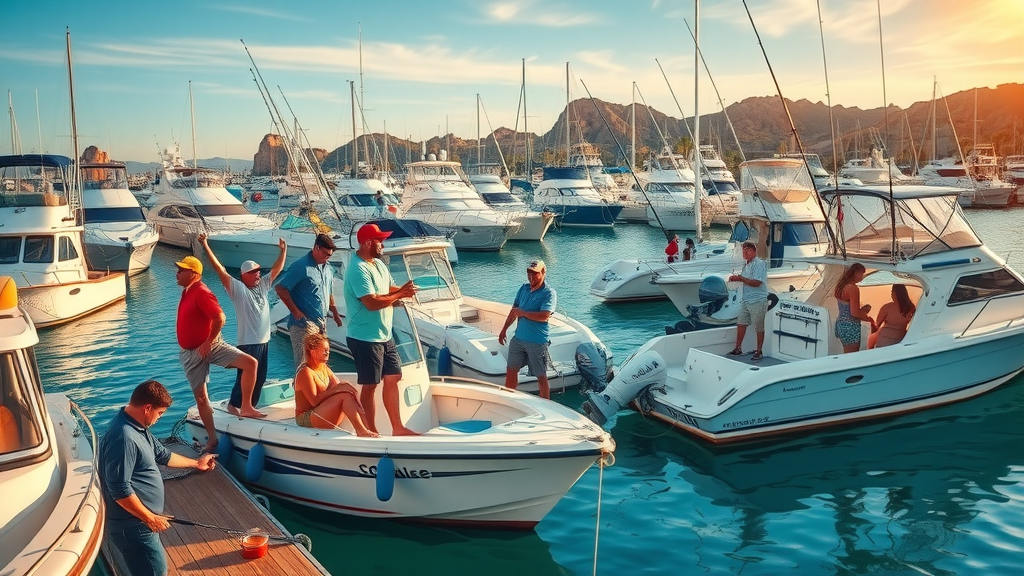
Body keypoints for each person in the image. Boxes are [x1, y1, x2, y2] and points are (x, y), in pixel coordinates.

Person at [100, 380, 217, 576]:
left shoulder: (136, 426)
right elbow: (119, 490)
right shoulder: (123, 437)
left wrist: (196, 463)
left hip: (141, 521)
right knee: (155, 572)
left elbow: (162, 454)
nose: (159, 419)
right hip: (134, 526)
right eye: (160, 413)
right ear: (147, 408)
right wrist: (150, 518)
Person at [175, 255, 261, 453]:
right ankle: (212, 439)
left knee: (251, 363)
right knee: (202, 399)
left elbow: (220, 318)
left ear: (194, 274)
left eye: (182, 270)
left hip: (210, 346)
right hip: (190, 354)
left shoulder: (201, 291)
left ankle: (246, 406)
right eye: (178, 269)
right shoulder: (187, 291)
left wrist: (208, 342)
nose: (177, 273)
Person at [198, 233, 287, 415]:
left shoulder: (262, 286)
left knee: (260, 377)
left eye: (258, 272)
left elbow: (276, 270)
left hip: (264, 341)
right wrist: (205, 244)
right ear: (243, 275)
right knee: (244, 377)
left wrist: (283, 251)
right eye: (253, 273)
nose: (257, 275)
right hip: (249, 341)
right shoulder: (238, 289)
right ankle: (234, 405)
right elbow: (219, 269)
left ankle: (249, 407)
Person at [343, 223, 419, 435]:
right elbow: (372, 302)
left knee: (393, 377)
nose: (383, 244)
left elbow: (387, 290)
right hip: (364, 338)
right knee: (370, 385)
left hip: (384, 335)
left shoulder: (378, 264)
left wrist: (404, 289)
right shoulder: (357, 269)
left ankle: (397, 428)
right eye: (380, 241)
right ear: (368, 243)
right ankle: (371, 430)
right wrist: (400, 295)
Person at [275, 233, 344, 368]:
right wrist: (296, 312)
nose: (327, 258)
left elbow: (328, 292)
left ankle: (319, 389)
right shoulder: (301, 266)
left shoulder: (328, 268)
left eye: (329, 255)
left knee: (320, 364)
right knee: (304, 365)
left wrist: (334, 312)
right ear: (316, 248)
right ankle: (302, 389)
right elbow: (280, 288)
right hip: (303, 324)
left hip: (321, 322)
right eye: (325, 254)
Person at [293, 333, 378, 437]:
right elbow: (314, 401)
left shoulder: (324, 368)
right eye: (324, 349)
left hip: (321, 413)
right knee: (344, 395)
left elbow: (339, 387)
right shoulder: (305, 372)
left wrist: (349, 391)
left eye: (328, 349)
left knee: (348, 394)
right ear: (313, 352)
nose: (328, 352)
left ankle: (367, 429)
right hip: (305, 418)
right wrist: (339, 388)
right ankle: (361, 431)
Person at [498, 259, 557, 399]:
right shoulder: (523, 288)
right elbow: (514, 311)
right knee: (511, 370)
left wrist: (523, 313)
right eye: (528, 272)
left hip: (537, 341)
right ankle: (510, 399)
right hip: (518, 339)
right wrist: (503, 330)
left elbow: (544, 316)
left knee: (541, 376)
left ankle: (546, 405)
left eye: (534, 273)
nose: (530, 276)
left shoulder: (549, 293)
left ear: (543, 273)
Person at [728, 241, 769, 362]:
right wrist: (736, 279)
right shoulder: (746, 265)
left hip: (758, 300)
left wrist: (741, 278)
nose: (744, 252)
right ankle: (738, 348)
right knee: (741, 322)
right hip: (746, 300)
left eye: (748, 250)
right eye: (743, 250)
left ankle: (759, 351)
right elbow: (746, 280)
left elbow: (757, 282)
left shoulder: (759, 264)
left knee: (759, 326)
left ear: (754, 251)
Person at [833, 262, 876, 353]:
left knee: (847, 353)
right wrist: (866, 317)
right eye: (861, 274)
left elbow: (846, 307)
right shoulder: (853, 288)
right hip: (850, 327)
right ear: (855, 273)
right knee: (851, 356)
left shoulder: (841, 285)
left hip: (841, 324)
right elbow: (855, 313)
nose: (862, 277)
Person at [868, 284, 915, 349]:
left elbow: (875, 328)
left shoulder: (887, 307)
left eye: (891, 291)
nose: (891, 294)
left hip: (884, 342)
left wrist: (870, 321)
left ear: (895, 293)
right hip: (901, 340)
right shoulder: (911, 308)